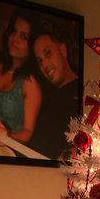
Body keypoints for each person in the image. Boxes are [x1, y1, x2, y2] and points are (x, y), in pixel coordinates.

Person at [0, 10, 42, 146]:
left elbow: (27, 132)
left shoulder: (29, 83)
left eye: (24, 37)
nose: (15, 39)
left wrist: (6, 136)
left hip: (3, 149)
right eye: (13, 32)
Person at [28, 24, 79, 160]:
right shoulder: (44, 98)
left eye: (48, 53)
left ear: (62, 50)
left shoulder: (85, 92)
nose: (44, 65)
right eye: (39, 61)